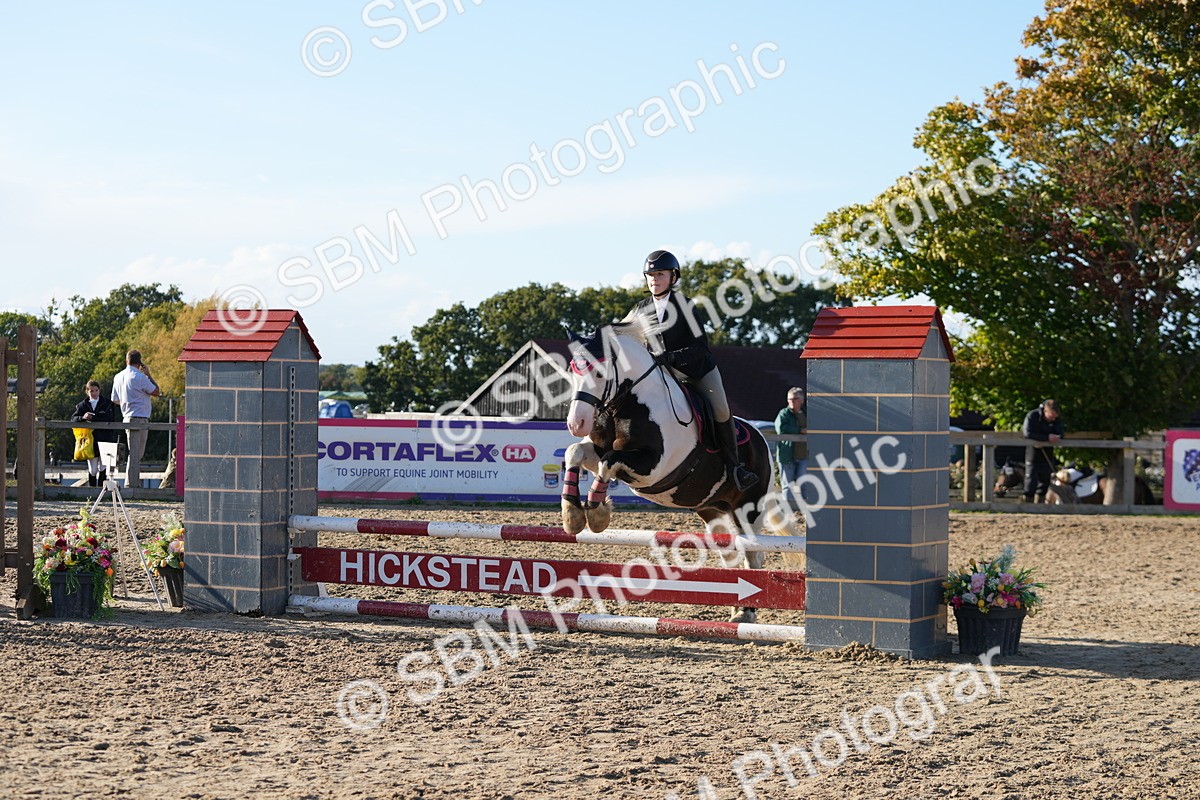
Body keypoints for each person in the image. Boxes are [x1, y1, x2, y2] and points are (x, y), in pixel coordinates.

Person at [622, 249, 758, 490]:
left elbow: (700, 346)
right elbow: (625, 338)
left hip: (695, 370)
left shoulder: (685, 305)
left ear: (673, 277)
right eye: (650, 275)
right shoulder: (640, 309)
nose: (654, 279)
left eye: (660, 274)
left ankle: (735, 467)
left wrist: (672, 357)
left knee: (721, 409)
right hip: (662, 375)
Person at [111, 349, 161, 473]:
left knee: (133, 452)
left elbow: (114, 399)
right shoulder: (140, 377)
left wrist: (127, 402)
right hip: (140, 418)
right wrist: (148, 374)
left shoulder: (118, 377)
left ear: (126, 361)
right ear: (140, 363)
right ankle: (131, 482)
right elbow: (156, 391)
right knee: (136, 454)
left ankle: (132, 481)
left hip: (127, 417)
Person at [71, 379, 119, 486]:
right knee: (92, 469)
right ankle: (91, 491)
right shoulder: (82, 405)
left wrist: (94, 418)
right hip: (90, 441)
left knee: (103, 467)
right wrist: (83, 417)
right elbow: (73, 418)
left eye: (96, 390)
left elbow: (110, 419)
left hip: (105, 438)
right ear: (87, 391)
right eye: (91, 391)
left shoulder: (107, 403)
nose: (94, 393)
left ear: (99, 391)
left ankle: (102, 490)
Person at [1021, 398, 1063, 503]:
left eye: (1055, 417)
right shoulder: (1032, 416)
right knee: (1031, 481)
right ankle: (1028, 504)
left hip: (1048, 454)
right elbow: (1027, 433)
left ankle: (1040, 503)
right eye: (1051, 416)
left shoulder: (1056, 420)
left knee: (1045, 481)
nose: (1053, 419)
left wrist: (1056, 437)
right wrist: (1046, 438)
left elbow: (1060, 432)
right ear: (1045, 411)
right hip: (1033, 453)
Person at [774, 387, 808, 508]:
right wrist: (800, 430)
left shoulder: (806, 413)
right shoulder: (784, 413)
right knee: (787, 485)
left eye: (794, 399)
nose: (791, 402)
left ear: (801, 400)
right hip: (787, 455)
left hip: (804, 455)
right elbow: (781, 428)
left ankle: (806, 511)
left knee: (804, 483)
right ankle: (787, 512)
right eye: (789, 399)